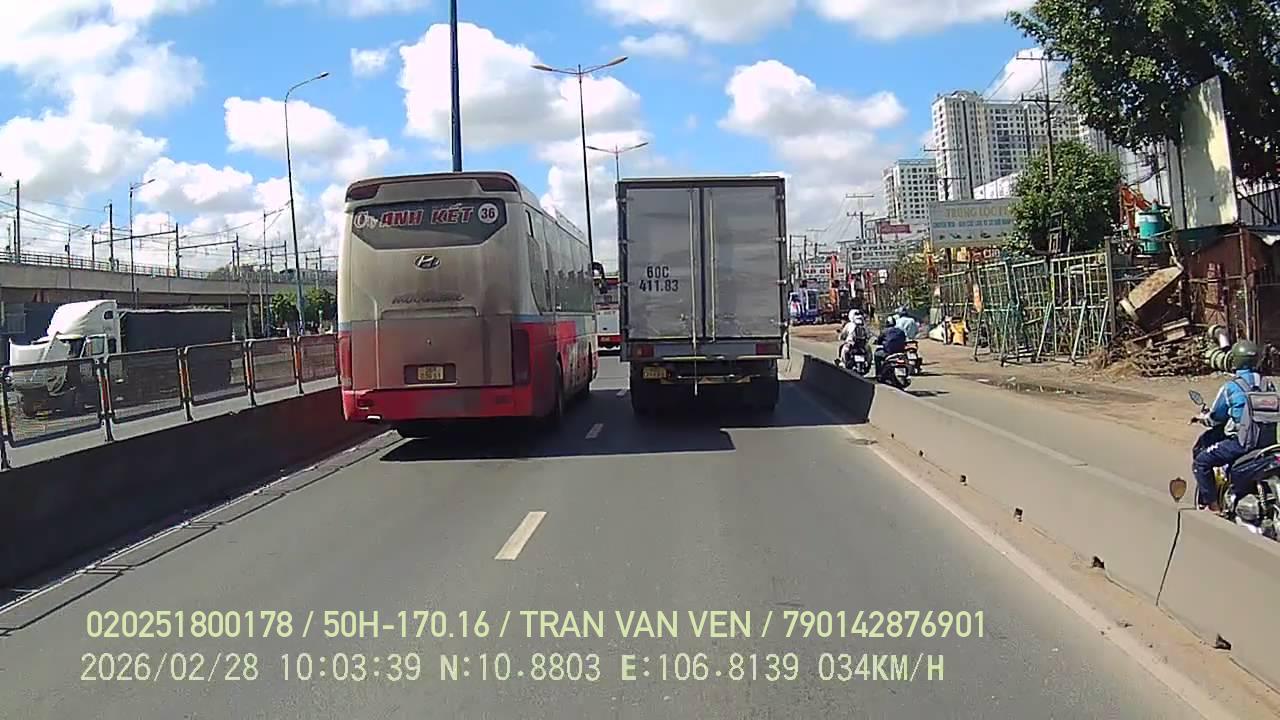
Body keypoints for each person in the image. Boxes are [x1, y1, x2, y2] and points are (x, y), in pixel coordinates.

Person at [1192, 340, 1276, 511]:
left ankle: (1213, 506)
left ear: (1235, 359)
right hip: (1269, 442)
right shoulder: (1267, 384)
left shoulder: (1231, 387)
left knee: (1201, 462)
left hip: (1242, 443)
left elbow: (1216, 417)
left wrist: (1203, 419)